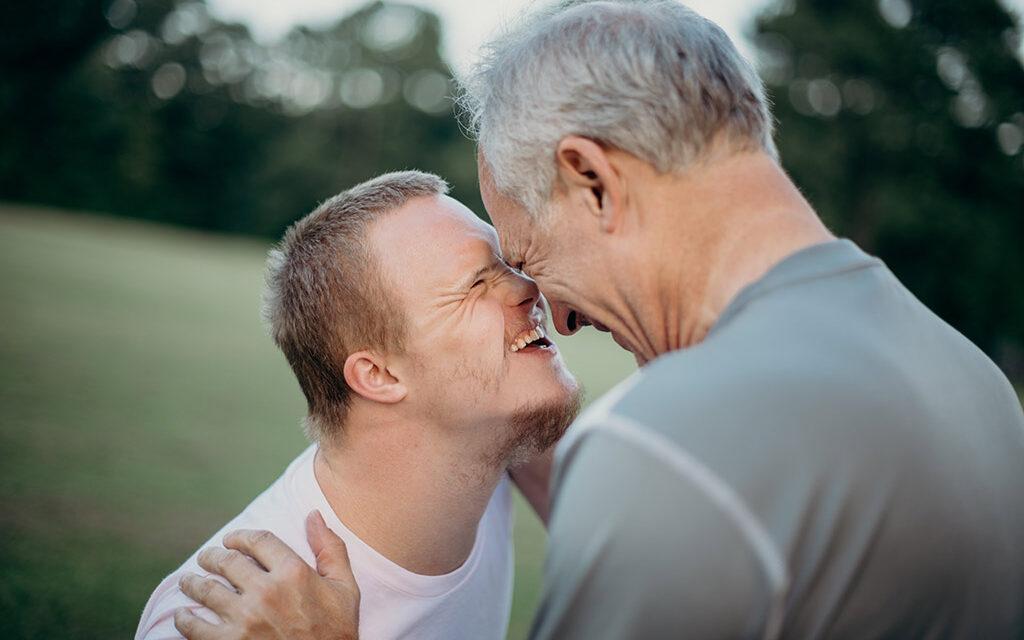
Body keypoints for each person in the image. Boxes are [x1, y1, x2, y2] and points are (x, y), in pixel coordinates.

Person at [176, 1, 1024, 638]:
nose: (560, 316)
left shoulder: (674, 449)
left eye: (528, 256)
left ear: (591, 181)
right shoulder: (970, 379)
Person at [139, 170, 580, 639]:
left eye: (508, 264)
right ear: (380, 375)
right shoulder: (227, 617)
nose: (527, 287)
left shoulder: (492, 439)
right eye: (475, 285)